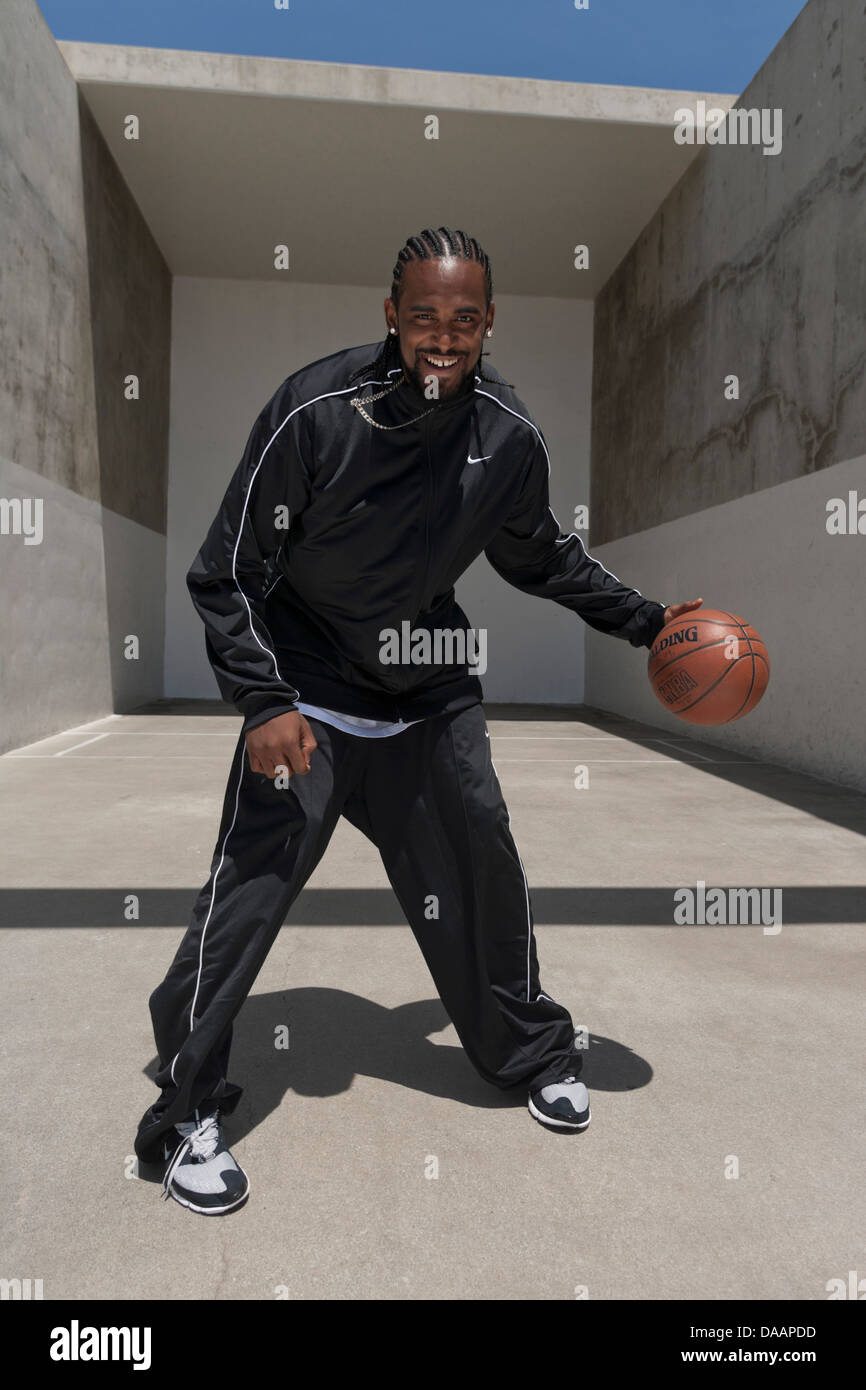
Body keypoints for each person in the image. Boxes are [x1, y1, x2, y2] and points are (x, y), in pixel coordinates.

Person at [134, 227, 701, 1214]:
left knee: (481, 858)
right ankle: (184, 1113)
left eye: (465, 318)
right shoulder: (313, 411)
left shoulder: (505, 437)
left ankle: (528, 1050)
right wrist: (262, 697)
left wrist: (651, 625)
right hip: (306, 679)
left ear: (488, 323)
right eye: (424, 315)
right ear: (391, 314)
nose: (444, 335)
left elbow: (544, 557)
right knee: (253, 886)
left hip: (425, 677)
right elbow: (227, 570)